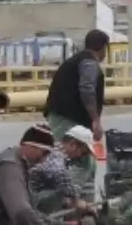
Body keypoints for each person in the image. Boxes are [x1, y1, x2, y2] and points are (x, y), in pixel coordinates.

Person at [43, 29, 109, 199]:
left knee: (89, 163)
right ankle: (66, 201)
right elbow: (87, 89)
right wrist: (95, 120)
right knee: (82, 161)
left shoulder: (76, 61)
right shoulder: (89, 63)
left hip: (64, 116)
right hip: (67, 118)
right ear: (102, 48)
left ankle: (87, 205)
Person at [29, 124, 97, 215]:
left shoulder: (55, 148)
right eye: (83, 152)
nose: (80, 156)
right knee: (59, 197)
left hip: (34, 192)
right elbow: (61, 175)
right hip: (33, 196)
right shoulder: (57, 153)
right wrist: (76, 201)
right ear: (73, 144)